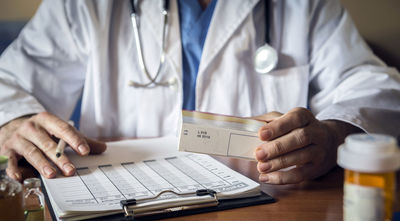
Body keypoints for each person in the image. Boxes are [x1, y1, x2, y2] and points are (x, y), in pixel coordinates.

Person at [0, 0, 399, 185]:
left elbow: (375, 89)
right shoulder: (82, 4)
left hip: (261, 209)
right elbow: (9, 82)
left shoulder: (306, 6)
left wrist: (331, 137)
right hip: (118, 207)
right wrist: (14, 121)